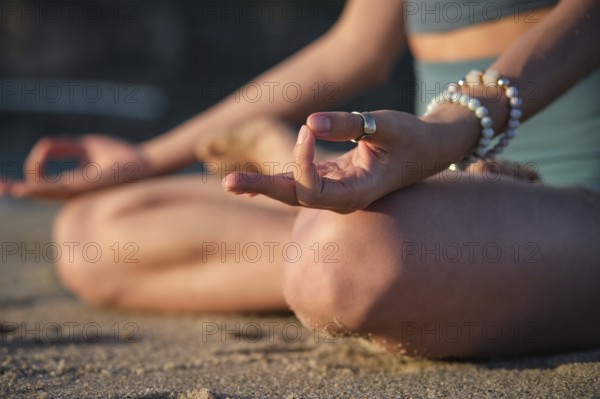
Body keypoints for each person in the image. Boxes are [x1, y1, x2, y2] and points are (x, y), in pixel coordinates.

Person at [1, 0, 599, 358]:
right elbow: (353, 49)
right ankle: (356, 243)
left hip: (569, 199)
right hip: (428, 182)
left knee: (345, 260)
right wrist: (147, 158)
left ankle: (358, 247)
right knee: (94, 234)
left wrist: (450, 131)